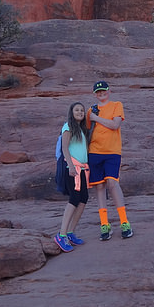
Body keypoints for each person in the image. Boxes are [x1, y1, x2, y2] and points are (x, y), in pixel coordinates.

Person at [86, 80, 133, 240]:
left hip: (112, 151)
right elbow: (85, 129)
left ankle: (124, 222)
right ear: (94, 94)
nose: (101, 94)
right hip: (94, 151)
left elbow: (115, 125)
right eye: (98, 92)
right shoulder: (91, 110)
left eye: (103, 91)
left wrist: (95, 118)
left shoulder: (116, 105)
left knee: (112, 183)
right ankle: (104, 224)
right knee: (99, 186)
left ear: (109, 91)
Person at [54, 101, 90, 252]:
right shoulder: (68, 126)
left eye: (82, 110)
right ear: (71, 112)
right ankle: (61, 235)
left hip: (82, 169)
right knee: (74, 199)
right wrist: (70, 165)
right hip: (72, 168)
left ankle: (70, 233)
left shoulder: (81, 130)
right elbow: (64, 147)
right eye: (77, 110)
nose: (80, 112)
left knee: (83, 199)